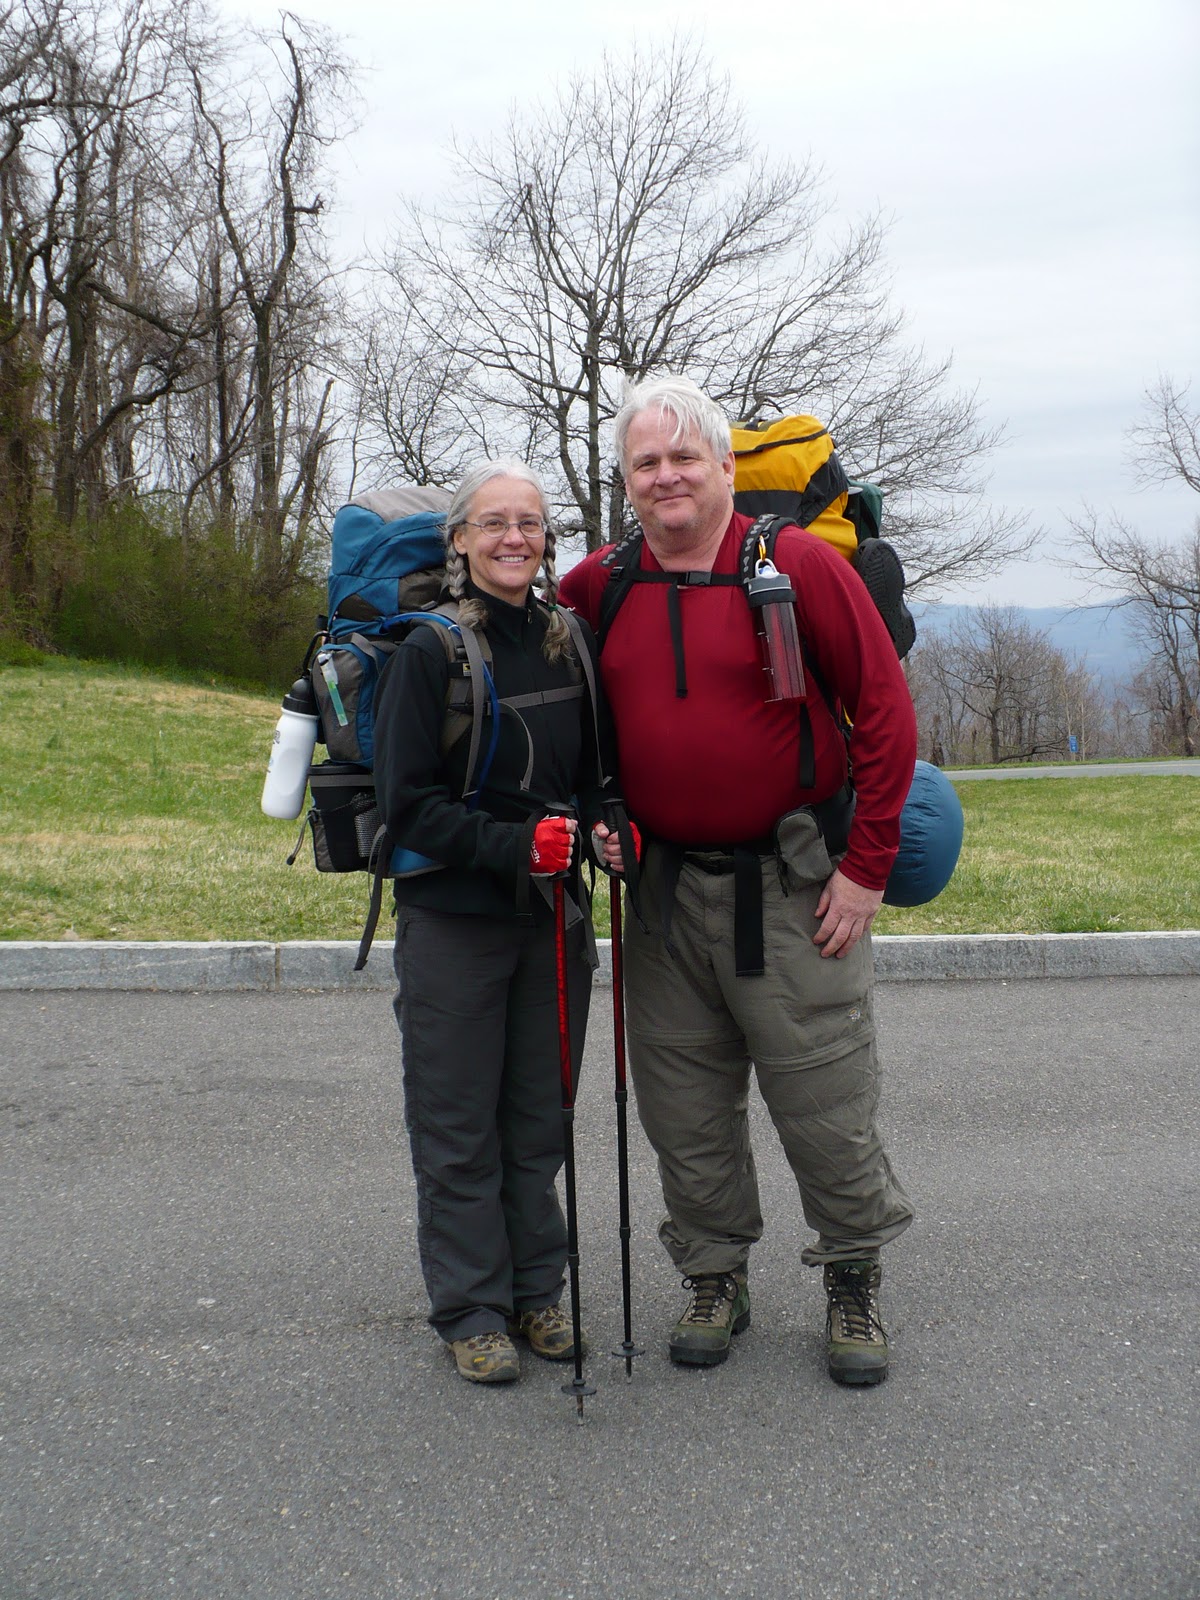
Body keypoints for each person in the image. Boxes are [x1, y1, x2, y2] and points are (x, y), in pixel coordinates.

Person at [564, 376, 917, 1386]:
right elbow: (571, 733)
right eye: (646, 462)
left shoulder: (798, 565)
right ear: (626, 481)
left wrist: (864, 871)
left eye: (686, 457)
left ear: (726, 467)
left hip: (798, 882)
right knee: (682, 1104)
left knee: (824, 1098)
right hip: (664, 892)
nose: (667, 475)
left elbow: (885, 715)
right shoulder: (601, 584)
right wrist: (598, 818)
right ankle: (715, 1276)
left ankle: (853, 1278)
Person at [374, 457, 613, 1386]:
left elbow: (598, 776)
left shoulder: (569, 642)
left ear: (546, 538)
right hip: (455, 921)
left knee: (539, 1118)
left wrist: (608, 825)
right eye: (494, 523)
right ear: (462, 541)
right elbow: (407, 808)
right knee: (459, 1123)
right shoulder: (428, 652)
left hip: (552, 922)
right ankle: (471, 1310)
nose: (515, 537)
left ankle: (536, 1294)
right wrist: (518, 850)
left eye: (531, 522)